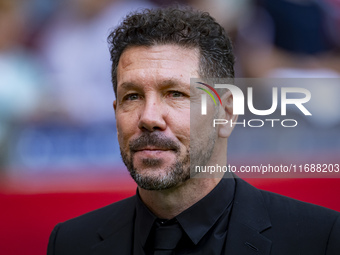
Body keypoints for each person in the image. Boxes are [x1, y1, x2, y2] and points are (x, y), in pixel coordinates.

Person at [47, 6, 340, 255]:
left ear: (226, 113)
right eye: (132, 96)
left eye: (175, 93)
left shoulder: (318, 239)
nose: (148, 117)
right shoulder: (72, 244)